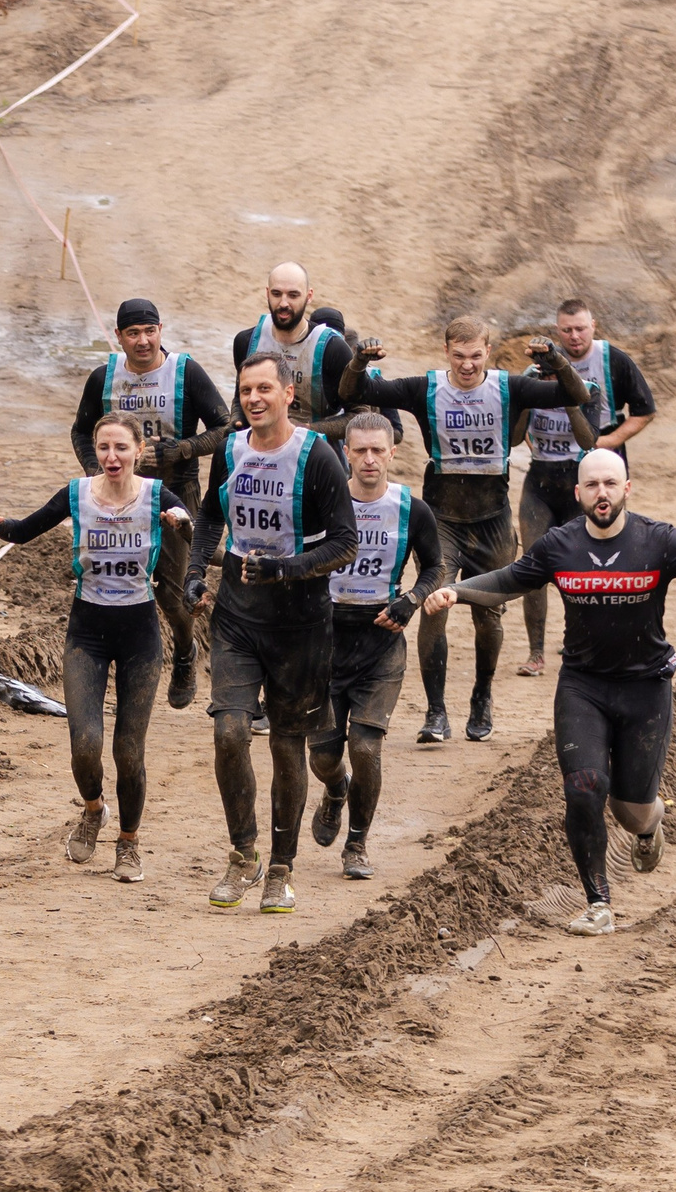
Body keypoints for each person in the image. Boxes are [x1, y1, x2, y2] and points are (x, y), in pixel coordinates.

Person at [420, 449, 676, 936]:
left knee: (632, 809)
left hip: (645, 689)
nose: (601, 493)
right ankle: (598, 903)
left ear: (627, 488)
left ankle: (650, 826)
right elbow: (508, 581)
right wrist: (458, 591)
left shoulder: (659, 540)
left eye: (611, 483)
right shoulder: (559, 545)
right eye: (592, 485)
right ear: (578, 492)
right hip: (583, 686)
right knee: (584, 787)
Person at [338, 319, 593, 744]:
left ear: (488, 352)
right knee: (434, 607)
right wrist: (359, 361)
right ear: (445, 351)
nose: (468, 366)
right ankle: (436, 713)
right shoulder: (427, 388)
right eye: (459, 356)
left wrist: (555, 361)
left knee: (488, 613)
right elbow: (355, 393)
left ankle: (481, 697)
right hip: (442, 521)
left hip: (492, 520)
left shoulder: (509, 387)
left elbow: (576, 395)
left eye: (476, 356)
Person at [0, 415, 194, 882]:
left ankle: (129, 844)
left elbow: (193, 532)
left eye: (121, 448)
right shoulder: (76, 494)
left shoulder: (157, 495)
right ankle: (94, 810)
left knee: (129, 752)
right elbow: (22, 531)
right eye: (103, 448)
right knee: (85, 744)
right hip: (86, 634)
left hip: (140, 634)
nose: (111, 457)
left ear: (138, 450)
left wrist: (181, 522)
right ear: (94, 450)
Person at [185, 351, 357, 914]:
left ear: (289, 394)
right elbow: (212, 512)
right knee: (229, 733)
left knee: (288, 746)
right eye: (245, 391)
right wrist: (194, 572)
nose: (253, 399)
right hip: (237, 614)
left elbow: (346, 541)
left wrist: (288, 567)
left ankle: (280, 869)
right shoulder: (232, 447)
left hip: (302, 623)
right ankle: (242, 855)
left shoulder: (317, 454)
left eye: (264, 389)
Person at [70, 298, 227, 709]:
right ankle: (113, 666)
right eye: (133, 333)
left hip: (176, 492)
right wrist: (96, 472)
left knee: (173, 596)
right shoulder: (104, 377)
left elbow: (224, 427)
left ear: (161, 330)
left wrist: (180, 450)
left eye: (150, 331)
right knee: (115, 582)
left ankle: (185, 652)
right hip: (118, 498)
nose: (143, 341)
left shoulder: (186, 372)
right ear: (119, 336)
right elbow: (81, 432)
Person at [310, 410, 443, 879]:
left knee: (366, 748)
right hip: (323, 644)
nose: (369, 459)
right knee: (323, 755)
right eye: (359, 450)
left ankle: (357, 843)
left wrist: (411, 601)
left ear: (392, 452)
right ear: (345, 452)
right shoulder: (322, 502)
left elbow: (434, 568)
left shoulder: (412, 508)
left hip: (381, 642)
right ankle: (334, 790)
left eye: (377, 450)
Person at [514, 300, 661, 676]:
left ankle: (592, 643)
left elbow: (645, 410)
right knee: (534, 562)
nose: (574, 337)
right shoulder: (536, 371)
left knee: (597, 561)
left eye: (580, 329)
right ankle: (536, 653)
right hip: (544, 478)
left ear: (593, 325)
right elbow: (516, 430)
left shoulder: (613, 361)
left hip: (595, 476)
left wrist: (608, 445)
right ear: (557, 330)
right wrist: (538, 441)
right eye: (566, 330)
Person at [231, 263, 352, 433]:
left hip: (319, 452)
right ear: (267, 293)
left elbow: (358, 415)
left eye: (293, 295)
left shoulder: (333, 349)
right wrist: (236, 420)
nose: (283, 303)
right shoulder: (246, 341)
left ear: (309, 296)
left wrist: (306, 429)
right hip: (260, 449)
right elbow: (239, 395)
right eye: (276, 294)